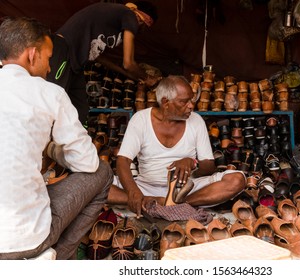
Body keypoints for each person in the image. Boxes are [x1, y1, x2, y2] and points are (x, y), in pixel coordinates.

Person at [0, 17, 113, 260]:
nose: (50, 68)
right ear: (32, 55)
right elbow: (87, 162)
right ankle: (62, 258)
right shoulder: (50, 93)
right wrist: (53, 150)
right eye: (49, 58)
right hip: (22, 239)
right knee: (102, 172)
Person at [109, 75, 246, 218]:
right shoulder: (141, 119)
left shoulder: (196, 121)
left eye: (191, 100)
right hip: (146, 187)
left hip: (185, 189)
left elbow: (209, 167)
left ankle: (173, 203)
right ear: (165, 102)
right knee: (97, 184)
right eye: (184, 102)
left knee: (237, 179)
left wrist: (192, 163)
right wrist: (133, 192)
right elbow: (123, 161)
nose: (191, 106)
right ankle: (155, 201)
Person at [46, 1, 160, 125]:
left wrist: (131, 76)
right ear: (142, 18)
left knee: (80, 110)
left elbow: (99, 58)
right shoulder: (130, 15)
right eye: (144, 26)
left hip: (76, 64)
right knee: (53, 102)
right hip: (64, 51)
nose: (141, 30)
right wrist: (148, 78)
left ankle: (71, 143)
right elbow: (128, 63)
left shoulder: (116, 20)